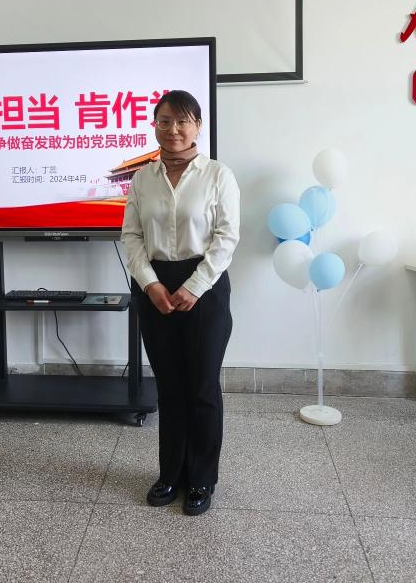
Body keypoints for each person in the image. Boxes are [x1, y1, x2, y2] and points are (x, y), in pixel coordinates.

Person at [120, 89, 240, 516]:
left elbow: (227, 237)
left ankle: (202, 479)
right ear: (155, 125)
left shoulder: (218, 175)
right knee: (169, 387)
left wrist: (195, 286)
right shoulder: (142, 178)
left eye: (183, 121)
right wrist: (150, 284)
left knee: (202, 386)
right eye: (165, 121)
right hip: (154, 286)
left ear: (197, 126)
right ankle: (170, 473)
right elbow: (131, 235)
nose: (173, 129)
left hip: (204, 287)